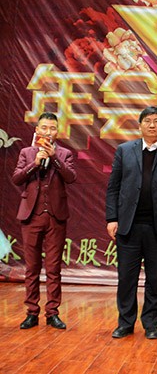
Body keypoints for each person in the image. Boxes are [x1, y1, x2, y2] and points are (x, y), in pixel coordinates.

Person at [106, 106, 157, 340]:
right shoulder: (124, 150)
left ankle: (151, 323)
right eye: (147, 121)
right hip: (128, 226)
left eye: (156, 121)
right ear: (140, 125)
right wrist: (112, 218)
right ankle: (125, 323)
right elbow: (113, 188)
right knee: (126, 278)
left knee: (155, 278)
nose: (152, 125)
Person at [12, 112, 76, 330]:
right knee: (31, 267)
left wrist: (54, 157)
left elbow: (71, 177)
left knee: (53, 268)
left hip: (56, 217)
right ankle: (32, 312)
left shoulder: (65, 154)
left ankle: (52, 313)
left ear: (57, 131)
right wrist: (35, 163)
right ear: (37, 130)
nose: (48, 132)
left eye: (52, 128)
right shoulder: (27, 153)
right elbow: (17, 178)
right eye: (44, 128)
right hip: (31, 216)